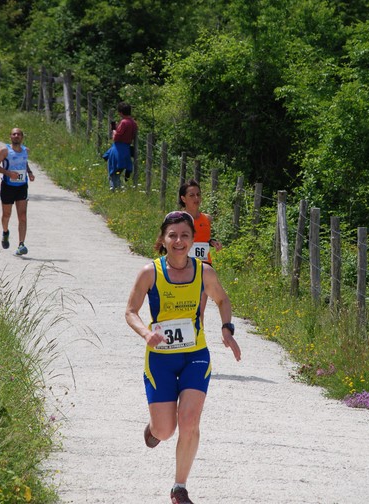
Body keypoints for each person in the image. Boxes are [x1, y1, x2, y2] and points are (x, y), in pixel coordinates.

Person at [125, 211, 241, 504]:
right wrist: (145, 333)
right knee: (166, 430)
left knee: (189, 421)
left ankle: (179, 487)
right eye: (172, 235)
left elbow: (223, 300)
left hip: (195, 356)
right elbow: (130, 311)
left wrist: (227, 329)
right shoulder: (149, 272)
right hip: (160, 358)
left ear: (192, 240)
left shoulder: (204, 272)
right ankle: (154, 429)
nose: (179, 241)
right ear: (163, 240)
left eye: (185, 236)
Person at [179, 179, 223, 321]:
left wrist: (212, 242)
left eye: (198, 195)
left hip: (204, 266)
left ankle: (198, 340)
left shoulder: (207, 219)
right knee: (183, 308)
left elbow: (203, 239)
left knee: (199, 311)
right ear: (183, 198)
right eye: (191, 195)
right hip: (183, 266)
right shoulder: (179, 218)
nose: (196, 198)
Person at [0, 128, 35, 255]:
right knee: (7, 215)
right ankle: (5, 232)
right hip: (8, 186)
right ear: (10, 137)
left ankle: (21, 244)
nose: (16, 136)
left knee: (23, 216)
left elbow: (24, 162)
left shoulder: (26, 150)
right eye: (14, 134)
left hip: (22, 186)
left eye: (18, 134)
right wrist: (8, 173)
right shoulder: (5, 151)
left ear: (22, 137)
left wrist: (29, 173)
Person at [102, 102, 138, 190]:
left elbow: (116, 137)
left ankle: (114, 189)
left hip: (118, 149)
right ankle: (118, 189)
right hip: (126, 148)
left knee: (113, 172)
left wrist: (113, 130)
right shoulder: (133, 123)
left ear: (121, 112)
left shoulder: (124, 122)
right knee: (119, 172)